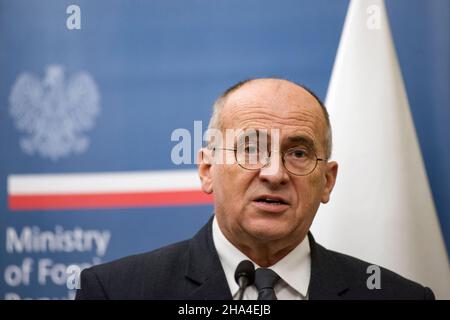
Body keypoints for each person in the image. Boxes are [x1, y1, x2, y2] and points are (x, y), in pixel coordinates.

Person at [75, 78, 434, 300]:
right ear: (207, 170)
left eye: (297, 152)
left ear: (326, 181)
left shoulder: (397, 296)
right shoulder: (117, 291)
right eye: (250, 148)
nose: (275, 173)